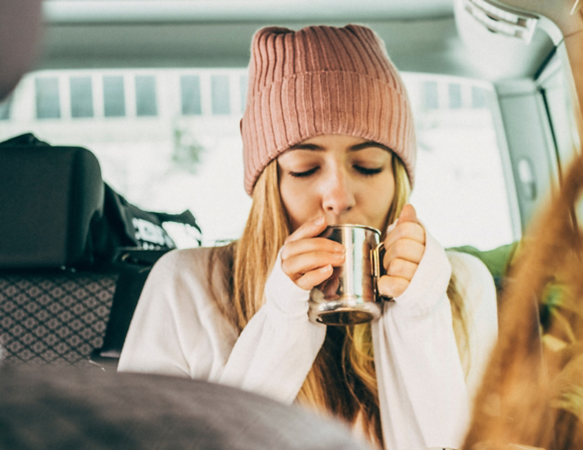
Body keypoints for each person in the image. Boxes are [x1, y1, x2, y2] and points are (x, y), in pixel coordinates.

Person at [118, 24, 498, 450]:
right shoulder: (185, 284)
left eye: (368, 165)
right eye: (304, 168)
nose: (337, 196)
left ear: (397, 177)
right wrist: (281, 324)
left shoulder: (462, 284)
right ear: (269, 183)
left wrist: (421, 320)